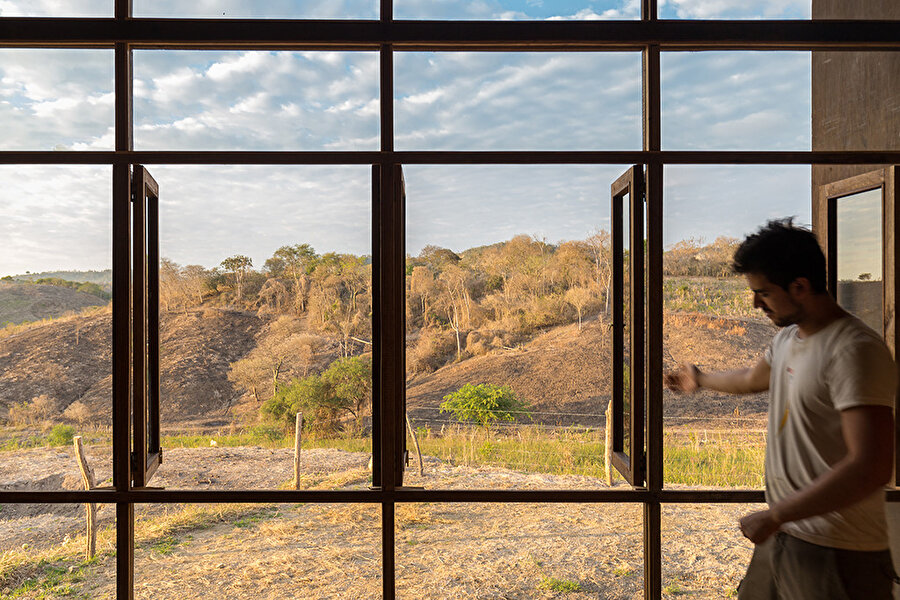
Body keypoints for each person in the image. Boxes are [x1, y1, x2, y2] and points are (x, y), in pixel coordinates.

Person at [665, 219, 898, 599]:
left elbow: (870, 466)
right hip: (786, 535)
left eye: (764, 293)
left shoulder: (854, 351)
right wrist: (700, 378)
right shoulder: (790, 337)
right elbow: (752, 378)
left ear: (800, 287)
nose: (756, 303)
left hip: (835, 550)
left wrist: (775, 515)